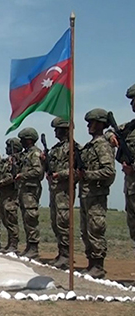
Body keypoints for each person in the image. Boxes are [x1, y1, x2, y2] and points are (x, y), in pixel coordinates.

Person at [77, 109, 116, 278]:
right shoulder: (90, 146)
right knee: (86, 231)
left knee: (95, 229)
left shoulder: (102, 145)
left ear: (100, 124)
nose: (88, 125)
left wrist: (88, 175)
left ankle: (98, 266)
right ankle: (91, 263)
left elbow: (109, 171)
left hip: (96, 195)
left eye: (91, 122)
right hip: (86, 195)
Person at [45, 117, 76, 269]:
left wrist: (59, 174)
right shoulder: (56, 148)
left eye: (57, 129)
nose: (55, 132)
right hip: (55, 190)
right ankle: (61, 252)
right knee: (56, 223)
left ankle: (67, 255)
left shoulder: (73, 147)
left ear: (64, 130)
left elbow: (75, 170)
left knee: (64, 223)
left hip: (65, 191)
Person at [15, 127, 44, 259]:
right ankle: (29, 245)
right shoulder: (27, 154)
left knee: (31, 217)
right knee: (26, 218)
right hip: (24, 189)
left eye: (23, 140)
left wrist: (23, 175)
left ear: (29, 140)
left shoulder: (35, 153)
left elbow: (38, 171)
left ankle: (34, 247)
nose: (21, 142)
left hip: (31, 189)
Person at [0, 138, 22, 253]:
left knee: (11, 219)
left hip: (11, 194)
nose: (6, 149)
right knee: (5, 219)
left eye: (9, 147)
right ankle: (10, 243)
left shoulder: (18, 161)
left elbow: (12, 177)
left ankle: (14, 244)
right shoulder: (7, 161)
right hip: (4, 194)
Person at [117, 84, 135, 253]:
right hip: (131, 189)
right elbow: (112, 132)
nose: (132, 104)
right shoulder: (130, 127)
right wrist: (111, 137)